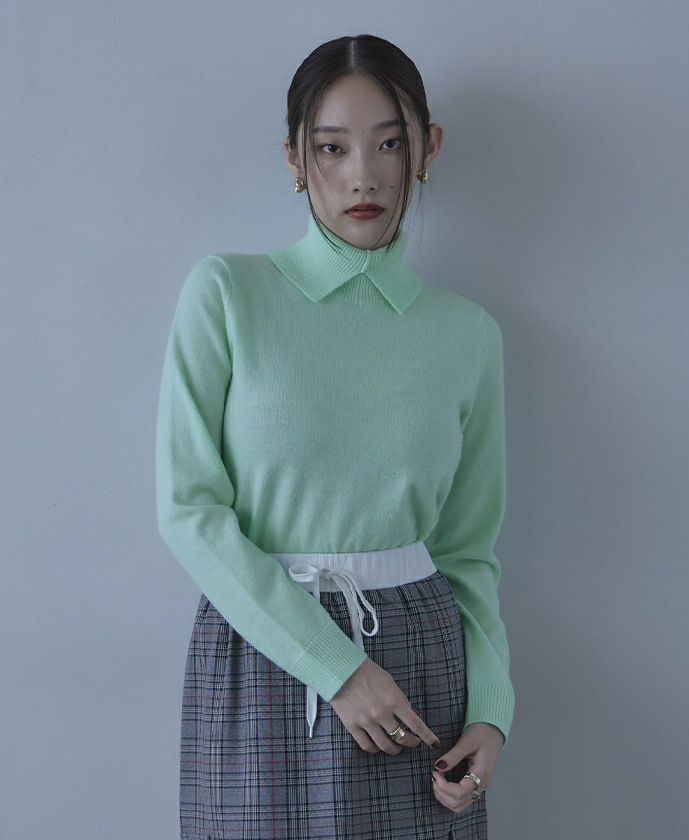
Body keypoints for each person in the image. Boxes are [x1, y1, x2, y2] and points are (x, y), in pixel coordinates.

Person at [155, 33, 515, 840]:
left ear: (428, 148)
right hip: (262, 653)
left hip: (419, 668)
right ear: (293, 157)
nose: (364, 175)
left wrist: (491, 711)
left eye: (390, 143)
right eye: (332, 147)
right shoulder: (227, 294)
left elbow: (468, 553)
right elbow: (189, 511)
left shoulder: (467, 335)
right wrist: (339, 669)